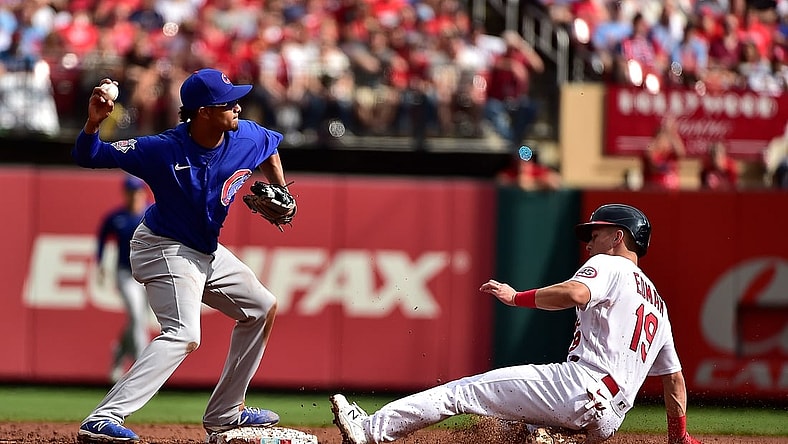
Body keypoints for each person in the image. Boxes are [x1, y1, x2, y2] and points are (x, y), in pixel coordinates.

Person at [330, 204, 702, 444]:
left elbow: (574, 293)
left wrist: (516, 297)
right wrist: (678, 436)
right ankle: (547, 437)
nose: (590, 241)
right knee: (517, 432)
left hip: (580, 387)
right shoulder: (658, 304)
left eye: (597, 233)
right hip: (610, 418)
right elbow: (674, 380)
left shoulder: (611, 264)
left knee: (462, 392)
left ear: (619, 237)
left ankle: (369, 431)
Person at [73, 68, 294, 443]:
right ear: (204, 111)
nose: (238, 107)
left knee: (261, 307)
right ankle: (103, 417)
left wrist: (283, 189)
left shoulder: (245, 135)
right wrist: (94, 123)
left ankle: (226, 413)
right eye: (228, 102)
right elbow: (88, 155)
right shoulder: (162, 149)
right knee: (184, 333)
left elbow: (270, 146)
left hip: (205, 250)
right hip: (163, 246)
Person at [96, 174, 152, 383]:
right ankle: (141, 374)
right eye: (130, 192)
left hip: (148, 273)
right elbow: (102, 237)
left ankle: (119, 352)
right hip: (125, 273)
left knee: (137, 321)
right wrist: (100, 262)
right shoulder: (116, 217)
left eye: (137, 191)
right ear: (125, 194)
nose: (134, 195)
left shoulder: (151, 213)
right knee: (137, 319)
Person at [641, 118, 686, 191]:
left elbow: (681, 153)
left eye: (667, 139)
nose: (666, 142)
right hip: (656, 191)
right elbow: (652, 164)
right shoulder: (653, 154)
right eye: (663, 139)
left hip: (672, 192)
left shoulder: (670, 155)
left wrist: (672, 133)